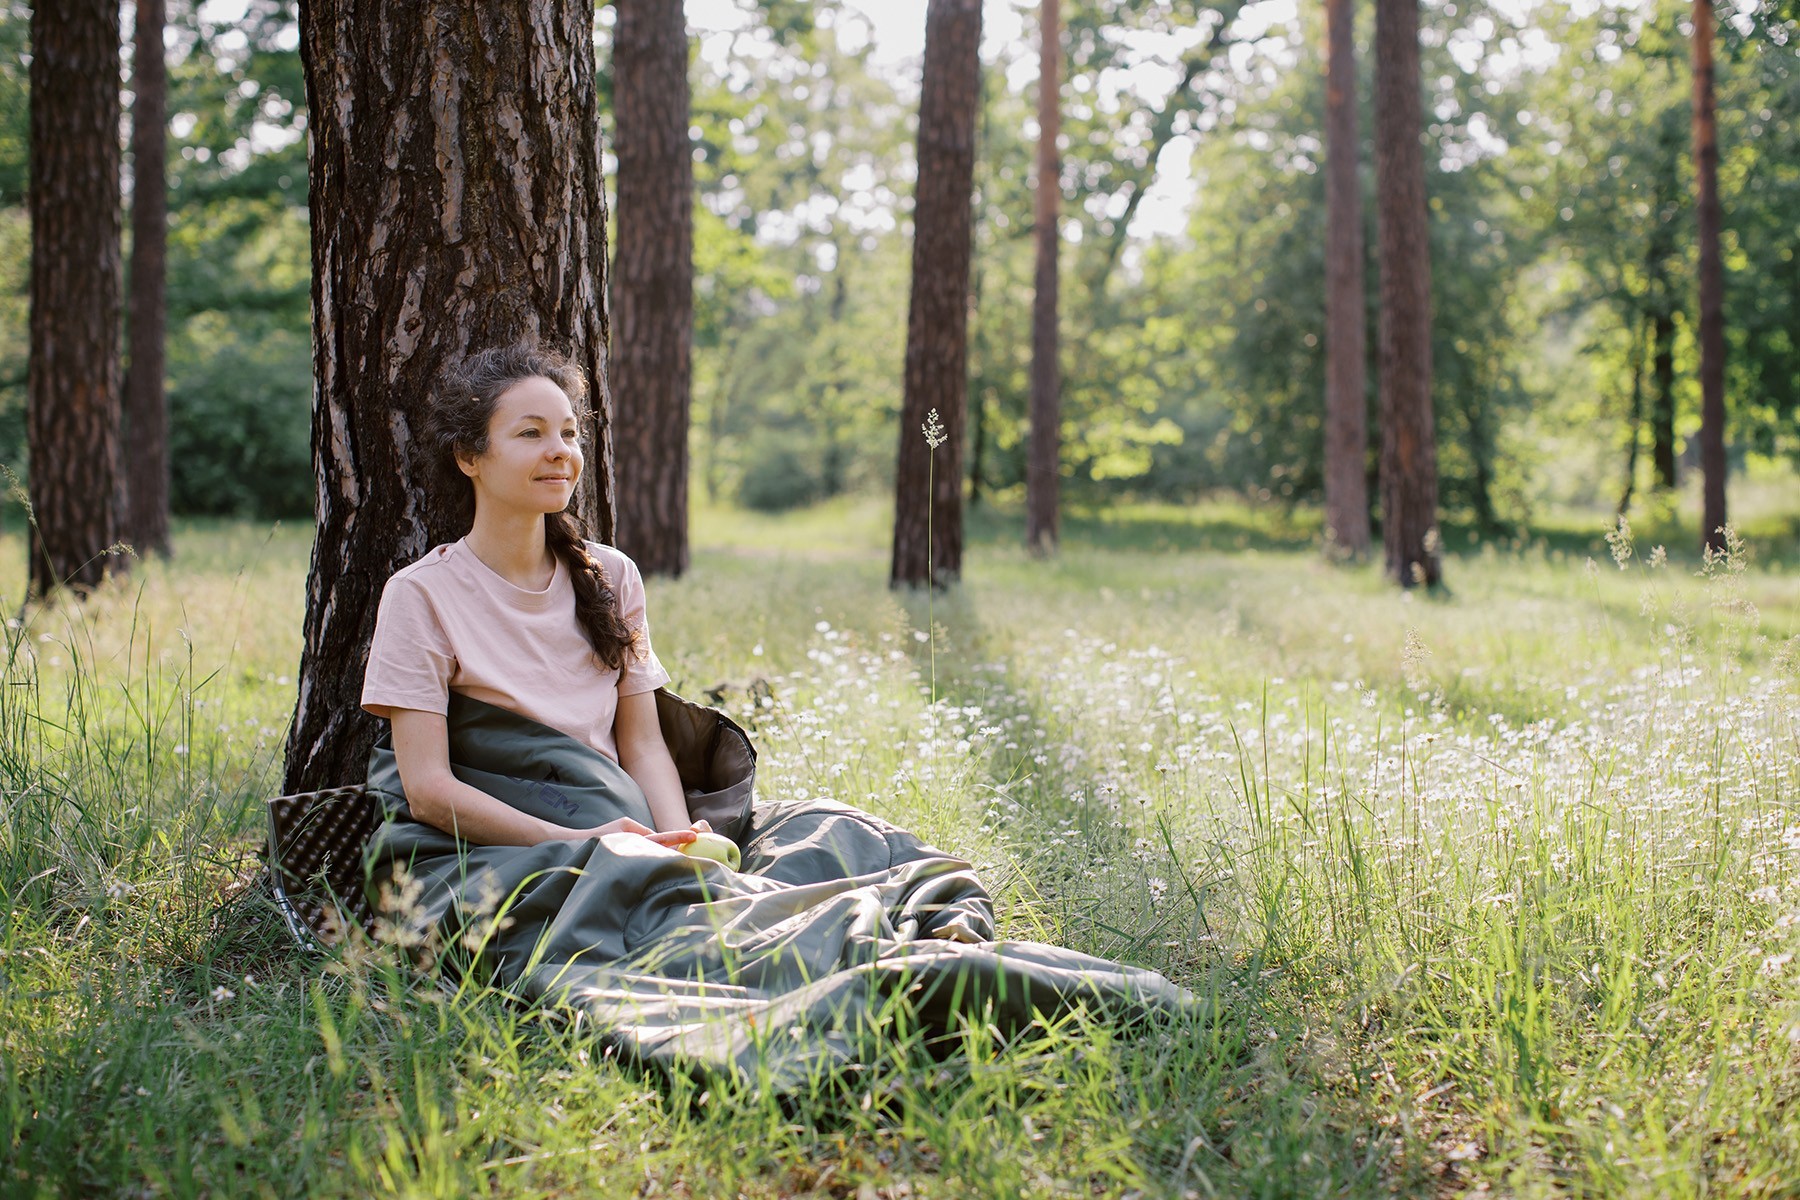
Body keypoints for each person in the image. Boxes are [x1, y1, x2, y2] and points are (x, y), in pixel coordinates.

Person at [360, 342, 710, 852]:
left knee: (832, 828)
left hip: (621, 829)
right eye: (531, 433)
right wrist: (580, 842)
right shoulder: (421, 594)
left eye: (569, 433)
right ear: (468, 457)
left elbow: (643, 744)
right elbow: (428, 792)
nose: (560, 451)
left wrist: (679, 843)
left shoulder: (612, 574)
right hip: (503, 850)